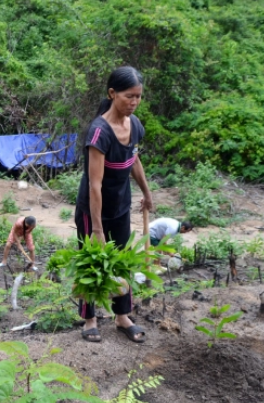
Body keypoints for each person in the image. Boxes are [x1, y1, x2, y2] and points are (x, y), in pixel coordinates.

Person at [74, 66, 154, 343]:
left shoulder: (135, 126)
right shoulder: (99, 133)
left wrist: (147, 192)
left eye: (138, 97)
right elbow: (95, 184)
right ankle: (90, 318)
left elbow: (134, 160)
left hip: (121, 205)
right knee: (93, 262)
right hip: (93, 209)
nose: (134, 102)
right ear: (112, 93)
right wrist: (97, 229)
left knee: (121, 261)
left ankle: (122, 316)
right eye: (128, 96)